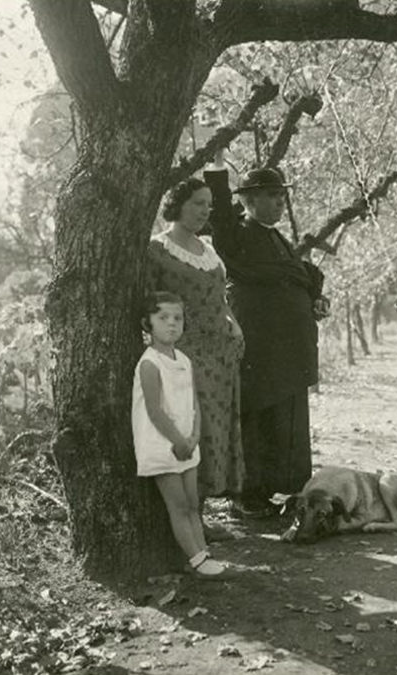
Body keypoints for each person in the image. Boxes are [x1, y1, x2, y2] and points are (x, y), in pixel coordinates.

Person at [204, 150, 329, 517]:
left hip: (287, 352)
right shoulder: (236, 234)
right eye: (271, 196)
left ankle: (276, 487)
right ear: (248, 200)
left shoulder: (277, 239)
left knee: (283, 419)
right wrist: (216, 168)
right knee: (255, 417)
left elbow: (303, 276)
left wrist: (315, 298)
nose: (279, 202)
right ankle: (246, 494)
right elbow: (221, 214)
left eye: (281, 196)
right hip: (257, 349)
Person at [147, 178, 246, 538]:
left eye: (208, 204)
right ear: (177, 204)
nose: (204, 211)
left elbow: (221, 299)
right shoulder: (158, 249)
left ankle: (200, 514)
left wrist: (234, 325)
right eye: (197, 204)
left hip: (220, 353)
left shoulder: (208, 249)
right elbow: (151, 305)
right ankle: (187, 520)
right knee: (190, 429)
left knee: (214, 431)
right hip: (185, 352)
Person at [131, 291, 232, 579]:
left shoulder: (184, 360)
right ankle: (198, 560)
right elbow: (154, 411)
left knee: (192, 503)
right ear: (146, 324)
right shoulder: (150, 363)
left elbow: (193, 403)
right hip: (163, 444)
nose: (171, 324)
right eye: (162, 318)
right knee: (177, 505)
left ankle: (204, 553)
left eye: (177, 318)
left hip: (187, 443)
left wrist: (194, 436)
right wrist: (177, 442)